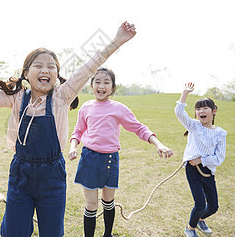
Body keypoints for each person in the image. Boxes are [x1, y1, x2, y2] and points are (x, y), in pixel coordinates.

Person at [0, 21, 137, 237]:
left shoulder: (62, 96)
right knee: (14, 231)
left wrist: (117, 40)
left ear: (57, 74)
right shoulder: (16, 98)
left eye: (51, 67)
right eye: (38, 66)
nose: (45, 70)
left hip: (52, 176)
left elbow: (91, 65)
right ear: (26, 72)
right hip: (20, 175)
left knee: (52, 233)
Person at [68, 68, 173, 237]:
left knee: (108, 202)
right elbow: (78, 131)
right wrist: (73, 147)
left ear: (113, 87)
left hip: (110, 159)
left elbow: (139, 128)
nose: (102, 86)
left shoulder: (119, 109)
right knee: (91, 204)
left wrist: (158, 144)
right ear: (91, 85)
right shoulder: (86, 108)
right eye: (98, 82)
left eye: (106, 82)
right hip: (89, 158)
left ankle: (107, 234)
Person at [174, 82, 227, 237]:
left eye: (205, 108)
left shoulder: (220, 134)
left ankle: (200, 219)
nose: (201, 111)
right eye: (198, 109)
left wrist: (202, 160)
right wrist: (185, 93)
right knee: (200, 203)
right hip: (192, 169)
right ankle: (190, 228)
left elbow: (219, 157)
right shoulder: (193, 126)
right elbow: (179, 112)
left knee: (213, 206)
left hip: (208, 170)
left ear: (214, 111)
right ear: (196, 113)